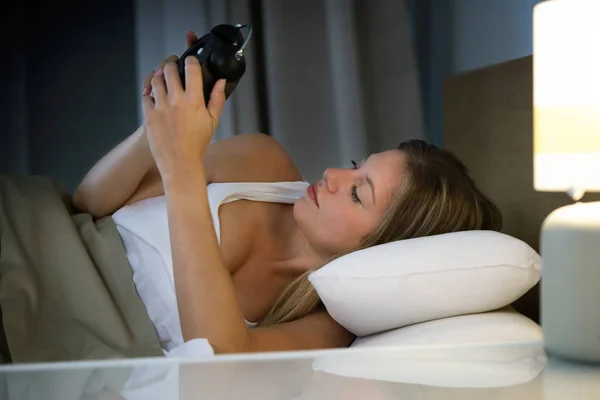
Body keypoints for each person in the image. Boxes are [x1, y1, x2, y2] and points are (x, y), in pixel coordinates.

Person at [70, 31, 502, 356]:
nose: (333, 174)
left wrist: (181, 169)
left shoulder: (324, 327)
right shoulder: (265, 162)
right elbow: (87, 203)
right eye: (356, 167)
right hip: (50, 242)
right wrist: (160, 128)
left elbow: (220, 363)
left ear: (382, 247)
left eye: (358, 194)